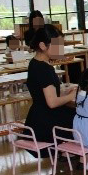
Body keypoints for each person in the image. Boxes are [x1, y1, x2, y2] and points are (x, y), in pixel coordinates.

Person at [24, 25, 77, 155]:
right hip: (47, 123)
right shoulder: (44, 69)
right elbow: (52, 102)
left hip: (37, 118)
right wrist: (72, 96)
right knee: (87, 118)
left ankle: (71, 153)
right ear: (43, 45)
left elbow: (44, 93)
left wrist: (64, 92)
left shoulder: (34, 63)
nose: (61, 49)